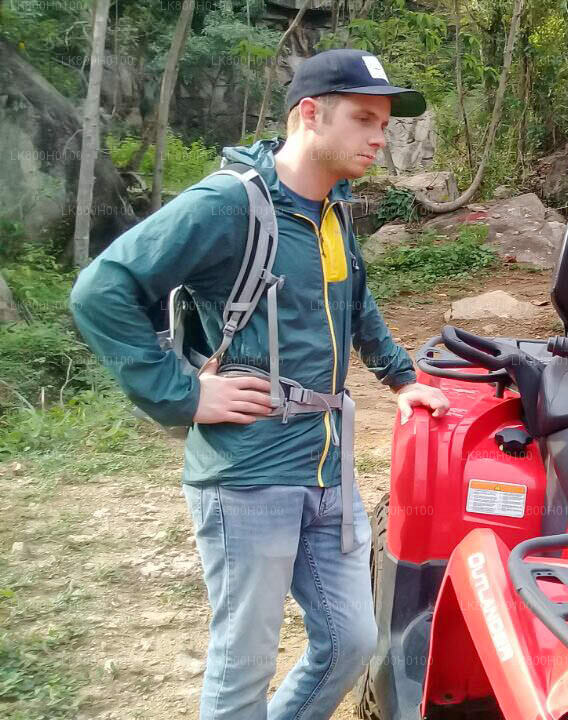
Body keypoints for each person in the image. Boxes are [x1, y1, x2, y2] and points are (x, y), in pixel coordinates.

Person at [70, 49, 449, 719]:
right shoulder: (230, 203)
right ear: (310, 113)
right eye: (364, 118)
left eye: (384, 124)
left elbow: (352, 295)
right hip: (248, 474)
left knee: (352, 640)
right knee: (243, 665)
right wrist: (182, 395)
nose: (378, 138)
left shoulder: (332, 205)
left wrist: (401, 378)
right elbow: (103, 290)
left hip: (327, 468)